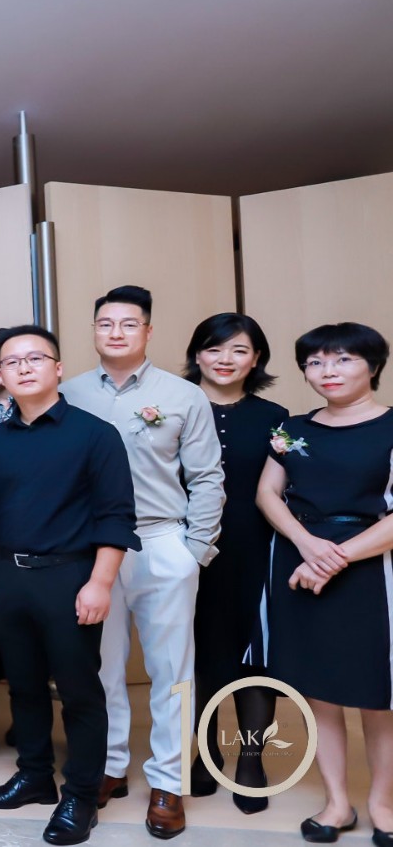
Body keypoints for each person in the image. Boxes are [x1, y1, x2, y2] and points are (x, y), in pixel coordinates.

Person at [59, 285, 225, 839]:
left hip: (160, 541)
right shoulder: (69, 393)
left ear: (148, 332)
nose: (116, 332)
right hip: (91, 551)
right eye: (105, 323)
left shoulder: (183, 395)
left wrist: (194, 552)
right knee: (100, 667)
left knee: (171, 671)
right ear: (94, 330)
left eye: (129, 324)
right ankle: (109, 766)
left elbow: (207, 478)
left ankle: (169, 782)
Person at [0, 325, 139, 846]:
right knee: (22, 686)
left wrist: (100, 583)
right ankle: (35, 775)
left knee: (79, 691)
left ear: (58, 368)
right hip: (7, 578)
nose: (22, 368)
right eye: (11, 361)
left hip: (70, 577)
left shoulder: (95, 434)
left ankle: (81, 796)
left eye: (34, 358)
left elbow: (115, 517)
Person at [257, 322, 393, 844]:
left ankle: (382, 804)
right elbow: (268, 494)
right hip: (298, 561)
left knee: (378, 696)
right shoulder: (292, 427)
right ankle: (337, 803)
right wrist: (307, 546)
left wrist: (331, 560)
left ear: (373, 367)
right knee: (319, 693)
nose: (327, 371)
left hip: (372, 568)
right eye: (315, 362)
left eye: (342, 359)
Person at [183, 313, 288, 812]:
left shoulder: (276, 417)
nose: (225, 359)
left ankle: (251, 760)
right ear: (196, 354)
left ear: (256, 358)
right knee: (198, 655)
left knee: (255, 657)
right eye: (214, 348)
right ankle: (205, 755)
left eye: (239, 350)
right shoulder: (175, 407)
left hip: (256, 548)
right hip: (188, 551)